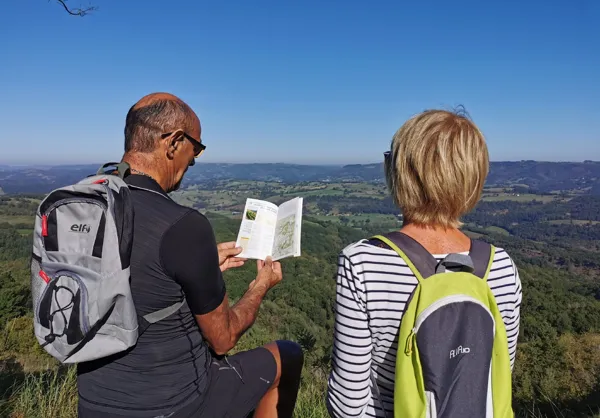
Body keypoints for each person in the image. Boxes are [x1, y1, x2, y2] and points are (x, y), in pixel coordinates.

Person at [77, 93, 304, 418]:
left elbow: (139, 275)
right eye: (193, 150)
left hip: (93, 401)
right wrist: (259, 286)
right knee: (289, 354)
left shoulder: (86, 205)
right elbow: (223, 340)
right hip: (173, 404)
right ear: (173, 143)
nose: (192, 162)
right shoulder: (183, 224)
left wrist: (200, 265)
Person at [326, 109, 522, 417]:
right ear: (472, 176)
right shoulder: (501, 268)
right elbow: (497, 372)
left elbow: (348, 405)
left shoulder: (363, 263)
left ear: (401, 172)